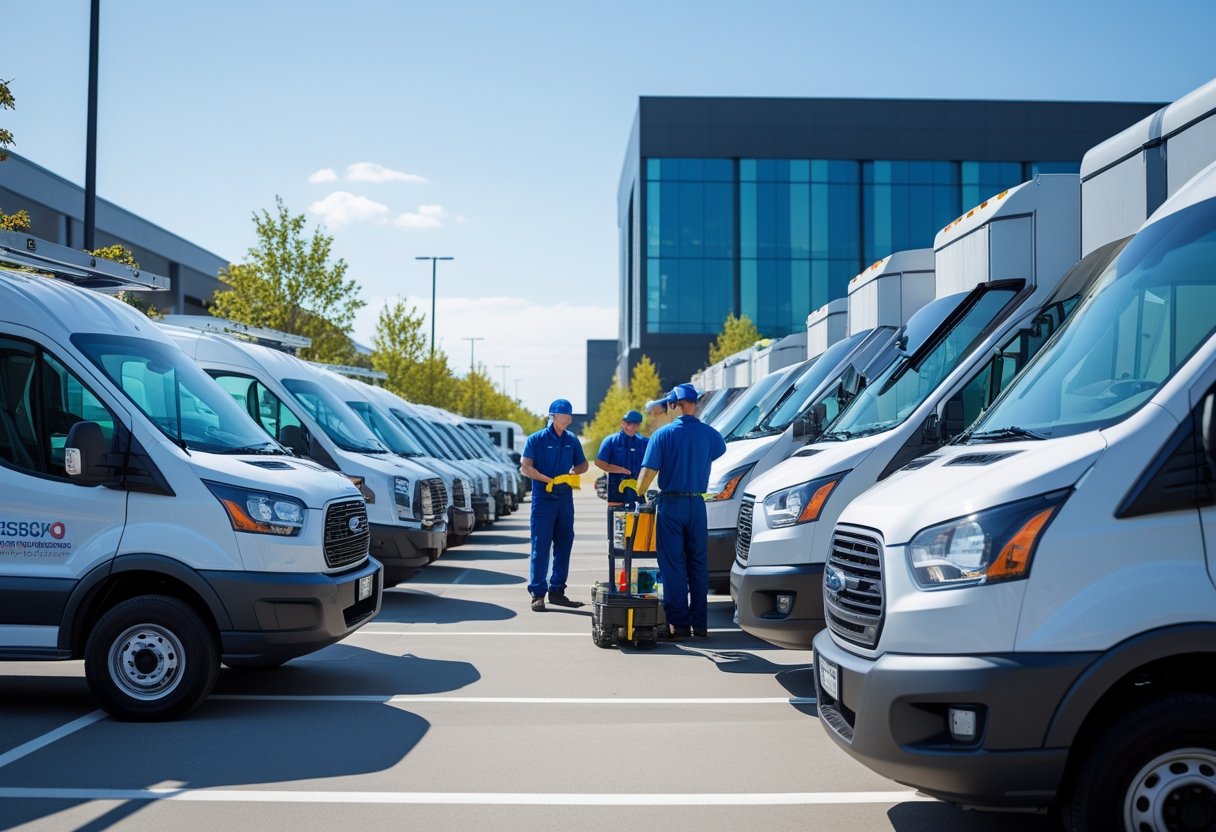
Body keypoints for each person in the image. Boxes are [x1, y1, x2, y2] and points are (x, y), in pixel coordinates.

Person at [635, 383, 726, 639]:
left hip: (671, 505)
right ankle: (701, 625)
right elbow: (717, 452)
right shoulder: (710, 435)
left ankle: (680, 624)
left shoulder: (663, 435)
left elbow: (646, 476)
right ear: (695, 404)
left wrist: (638, 492)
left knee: (673, 565)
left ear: (673, 405)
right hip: (697, 505)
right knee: (698, 564)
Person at [520, 398, 589, 611]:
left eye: (569, 415)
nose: (568, 418)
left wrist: (572, 473)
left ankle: (557, 590)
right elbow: (525, 467)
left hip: (564, 498)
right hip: (543, 499)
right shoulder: (536, 439)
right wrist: (546, 479)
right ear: (553, 416)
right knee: (541, 545)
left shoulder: (571, 439)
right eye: (564, 415)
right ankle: (538, 593)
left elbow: (583, 465)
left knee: (564, 542)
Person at [594, 409, 649, 541]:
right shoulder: (611, 441)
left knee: (638, 523)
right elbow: (599, 462)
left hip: (637, 487)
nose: (632, 427)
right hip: (616, 487)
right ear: (623, 423)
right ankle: (616, 552)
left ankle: (631, 555)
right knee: (617, 525)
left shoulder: (644, 442)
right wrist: (618, 469)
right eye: (629, 423)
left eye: (636, 424)